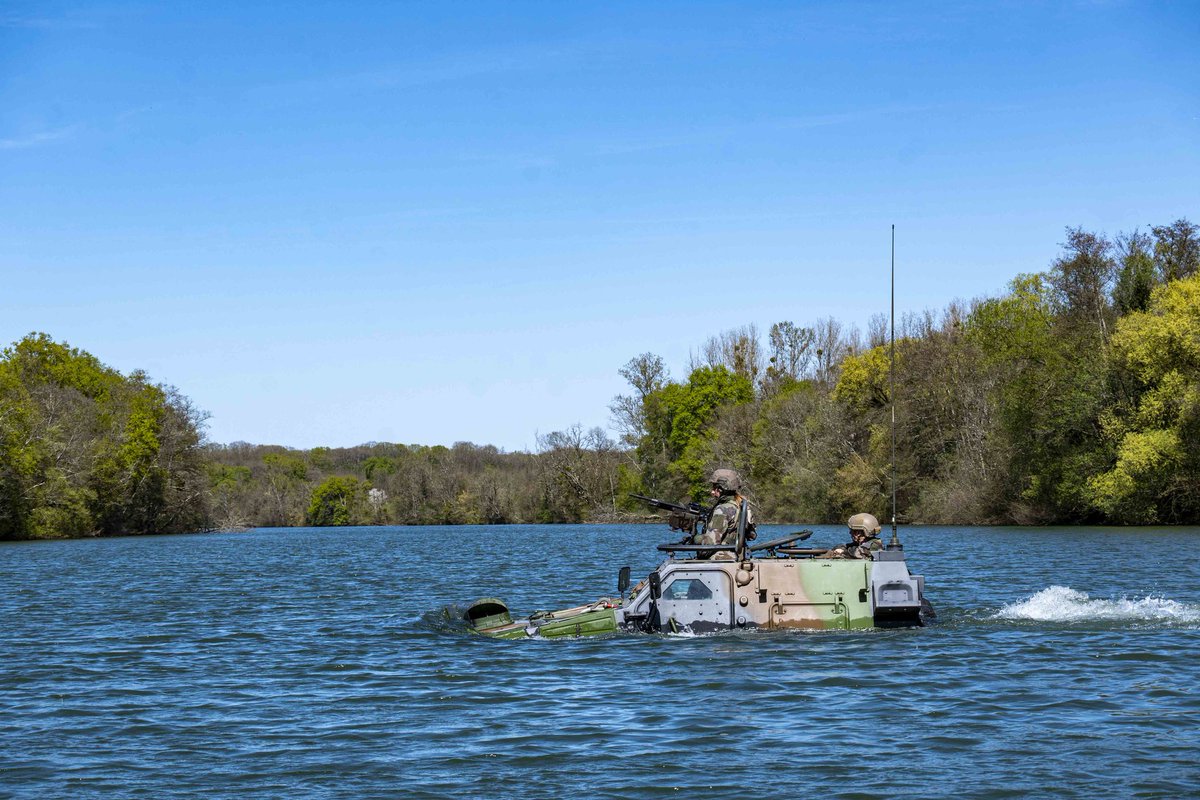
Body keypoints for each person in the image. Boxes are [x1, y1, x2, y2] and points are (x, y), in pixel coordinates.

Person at [693, 468, 754, 557]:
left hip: (720, 558)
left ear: (721, 489)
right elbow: (752, 535)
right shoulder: (742, 505)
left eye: (714, 488)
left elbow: (710, 543)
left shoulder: (722, 510)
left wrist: (695, 538)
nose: (712, 491)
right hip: (737, 555)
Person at [817, 512, 883, 559]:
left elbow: (857, 552)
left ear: (859, 532)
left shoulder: (875, 545)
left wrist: (842, 552)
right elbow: (847, 546)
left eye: (852, 531)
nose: (850, 533)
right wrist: (838, 549)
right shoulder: (861, 544)